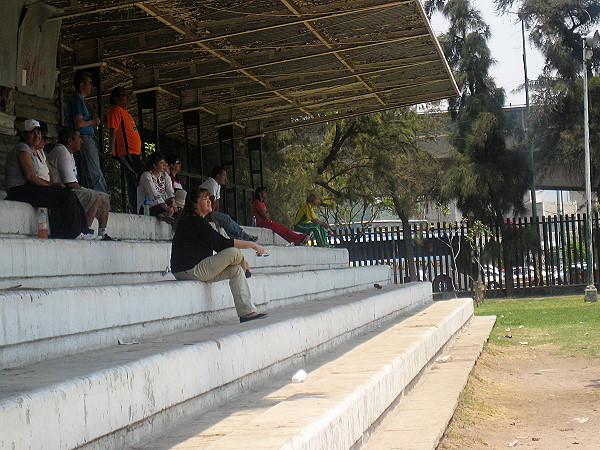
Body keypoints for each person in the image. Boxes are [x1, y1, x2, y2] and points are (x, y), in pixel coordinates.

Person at [171, 187, 268, 323]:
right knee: (234, 252)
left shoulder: (199, 221)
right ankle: (245, 267)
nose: (209, 201)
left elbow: (219, 244)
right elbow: (222, 244)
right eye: (205, 199)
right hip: (189, 270)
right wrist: (252, 246)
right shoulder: (194, 221)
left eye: (209, 198)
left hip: (195, 269)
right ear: (194, 204)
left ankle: (247, 312)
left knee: (235, 270)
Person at [4, 119, 90, 239]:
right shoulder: (22, 148)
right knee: (66, 196)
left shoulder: (34, 151)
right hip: (18, 191)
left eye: (38, 133)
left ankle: (83, 231)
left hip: (27, 188)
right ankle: (74, 233)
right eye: (32, 133)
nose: (37, 136)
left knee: (69, 194)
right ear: (23, 134)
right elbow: (30, 177)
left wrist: (53, 185)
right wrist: (51, 185)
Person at [48, 125, 114, 240]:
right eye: (79, 138)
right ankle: (84, 230)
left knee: (105, 198)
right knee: (95, 197)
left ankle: (103, 233)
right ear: (70, 140)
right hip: (62, 192)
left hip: (69, 191)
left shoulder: (69, 153)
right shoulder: (61, 151)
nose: (81, 141)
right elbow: (70, 183)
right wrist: (86, 191)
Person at [64, 69, 108, 193]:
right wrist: (92, 122)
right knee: (94, 171)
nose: (91, 86)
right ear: (81, 85)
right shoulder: (78, 99)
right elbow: (79, 123)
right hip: (84, 138)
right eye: (89, 82)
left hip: (81, 137)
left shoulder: (75, 99)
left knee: (85, 172)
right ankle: (102, 200)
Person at [107, 86, 144, 212]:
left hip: (134, 153)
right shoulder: (116, 110)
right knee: (140, 176)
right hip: (127, 152)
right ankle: (137, 208)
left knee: (136, 179)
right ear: (116, 99)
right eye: (124, 95)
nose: (127, 98)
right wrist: (111, 148)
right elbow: (113, 129)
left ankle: (138, 208)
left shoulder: (126, 113)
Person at [199, 166, 258, 241]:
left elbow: (217, 201)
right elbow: (212, 200)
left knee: (224, 222)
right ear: (217, 176)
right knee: (226, 218)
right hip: (201, 212)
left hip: (207, 212)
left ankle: (238, 239)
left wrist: (216, 215)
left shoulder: (217, 185)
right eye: (224, 176)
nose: (226, 178)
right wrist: (213, 218)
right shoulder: (212, 183)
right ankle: (243, 235)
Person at [137, 152, 179, 224]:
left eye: (165, 163)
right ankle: (164, 214)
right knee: (163, 210)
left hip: (161, 205)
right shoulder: (146, 175)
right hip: (147, 207)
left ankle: (165, 215)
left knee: (178, 212)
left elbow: (170, 191)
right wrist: (167, 208)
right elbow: (154, 194)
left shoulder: (165, 175)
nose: (164, 165)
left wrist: (173, 203)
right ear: (154, 165)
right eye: (161, 163)